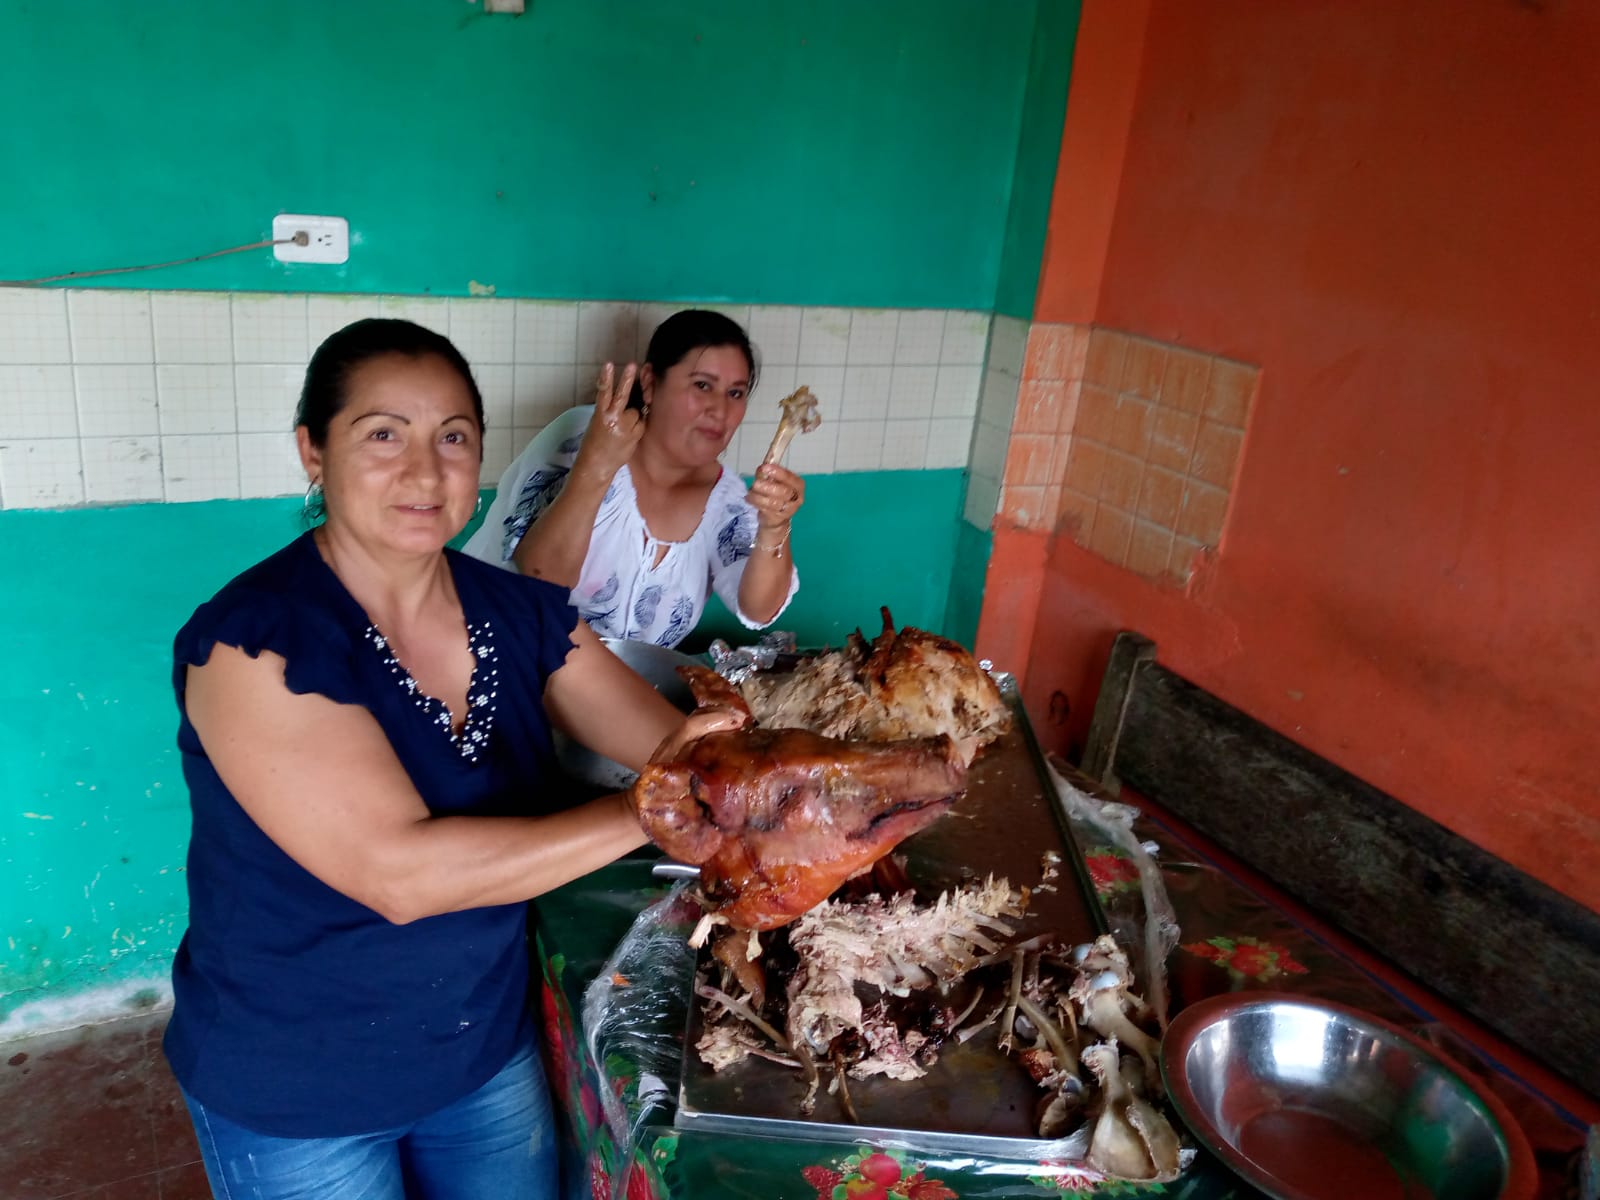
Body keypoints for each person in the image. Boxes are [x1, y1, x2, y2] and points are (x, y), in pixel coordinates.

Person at [164, 318, 736, 1200]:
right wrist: (643, 812)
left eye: (454, 438)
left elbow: (676, 749)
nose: (426, 472)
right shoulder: (256, 642)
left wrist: (772, 766)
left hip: (477, 1048)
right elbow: (399, 874)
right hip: (297, 1078)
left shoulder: (518, 613)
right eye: (382, 435)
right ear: (313, 450)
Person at [464, 309, 804, 648]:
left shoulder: (727, 500)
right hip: (485, 649)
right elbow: (543, 577)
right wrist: (595, 467)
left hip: (611, 678)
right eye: (702, 385)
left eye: (735, 393)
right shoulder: (584, 437)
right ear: (651, 384)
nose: (720, 410)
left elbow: (759, 609)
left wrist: (775, 527)